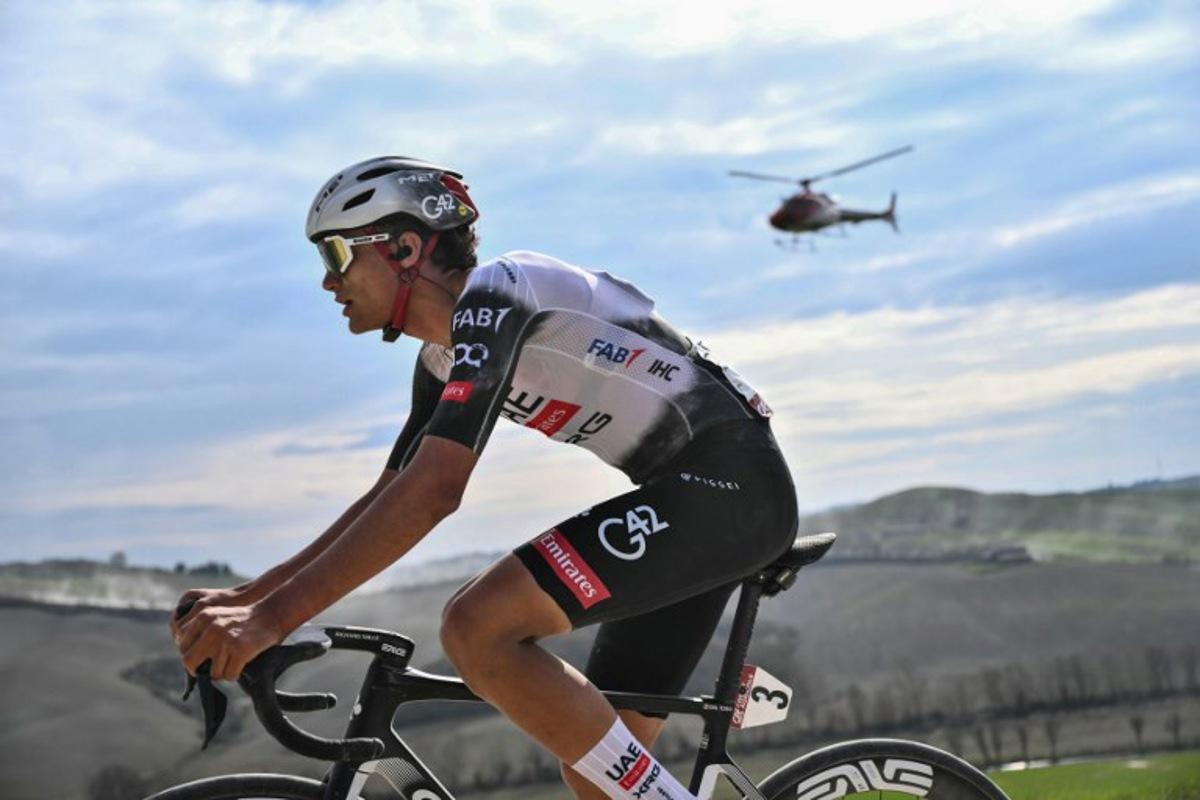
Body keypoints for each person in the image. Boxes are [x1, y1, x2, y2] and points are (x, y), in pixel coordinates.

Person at [171, 156, 798, 800]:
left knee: (478, 626)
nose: (328, 282)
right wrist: (251, 599)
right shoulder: (443, 358)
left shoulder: (500, 295)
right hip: (691, 506)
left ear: (404, 246)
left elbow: (437, 489)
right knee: (597, 774)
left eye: (334, 254)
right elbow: (388, 496)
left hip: (732, 491)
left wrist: (272, 619)